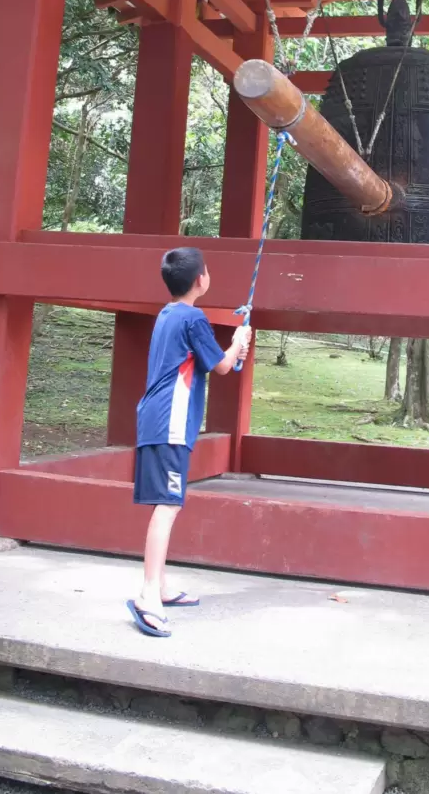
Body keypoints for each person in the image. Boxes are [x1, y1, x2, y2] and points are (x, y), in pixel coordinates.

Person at [126, 246, 251, 639]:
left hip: (155, 418)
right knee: (168, 505)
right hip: (171, 422)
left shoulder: (167, 315)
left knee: (168, 503)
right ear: (201, 280)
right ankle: (148, 595)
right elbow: (223, 366)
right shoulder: (194, 318)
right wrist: (239, 340)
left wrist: (234, 345)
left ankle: (160, 585)